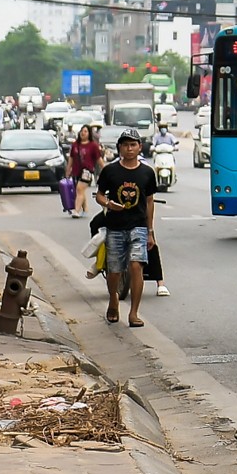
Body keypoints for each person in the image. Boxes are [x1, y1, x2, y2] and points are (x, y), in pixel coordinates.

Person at [94, 129, 160, 326]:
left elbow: (149, 201)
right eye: (125, 145)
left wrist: (150, 231)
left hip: (138, 227)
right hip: (115, 227)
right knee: (114, 271)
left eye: (133, 145)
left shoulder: (147, 172)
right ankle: (113, 299)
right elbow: (99, 195)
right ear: (119, 148)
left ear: (140, 147)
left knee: (135, 266)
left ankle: (133, 313)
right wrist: (108, 204)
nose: (129, 149)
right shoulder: (110, 171)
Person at [68, 125, 102, 220]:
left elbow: (99, 159)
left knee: (79, 189)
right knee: (80, 191)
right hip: (76, 171)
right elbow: (71, 158)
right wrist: (68, 170)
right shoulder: (75, 144)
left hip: (87, 172)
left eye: (86, 131)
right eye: (82, 131)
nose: (83, 133)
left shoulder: (93, 146)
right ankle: (85, 208)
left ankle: (76, 210)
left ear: (89, 134)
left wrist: (107, 169)